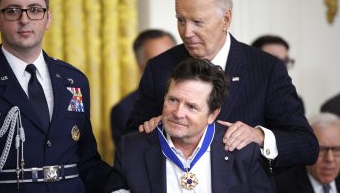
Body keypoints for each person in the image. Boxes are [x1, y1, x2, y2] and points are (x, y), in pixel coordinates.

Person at [127, 0, 318, 174]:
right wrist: (153, 130)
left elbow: (307, 146)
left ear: (225, 19)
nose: (187, 32)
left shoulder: (266, 69)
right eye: (181, 20)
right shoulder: (160, 67)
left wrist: (259, 136)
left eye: (197, 22)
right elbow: (131, 139)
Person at [0, 0, 124, 192]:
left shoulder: (75, 81)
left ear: (48, 18)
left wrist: (120, 188)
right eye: (13, 10)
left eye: (35, 10)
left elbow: (86, 162)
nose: (25, 20)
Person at [113, 57, 275, 192]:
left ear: (213, 114)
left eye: (191, 107)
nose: (177, 113)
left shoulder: (242, 151)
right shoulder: (131, 148)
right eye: (173, 100)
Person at [110, 29, 176, 149]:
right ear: (140, 66)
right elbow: (129, 156)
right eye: (159, 62)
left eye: (171, 59)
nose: (167, 67)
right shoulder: (124, 110)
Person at [275, 113, 340, 193]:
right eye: (321, 149)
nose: (330, 158)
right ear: (306, 149)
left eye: (337, 149)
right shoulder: (280, 187)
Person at [251, 35, 305, 114]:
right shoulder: (236, 95)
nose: (281, 67)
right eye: (274, 61)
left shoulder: (295, 100)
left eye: (285, 61)